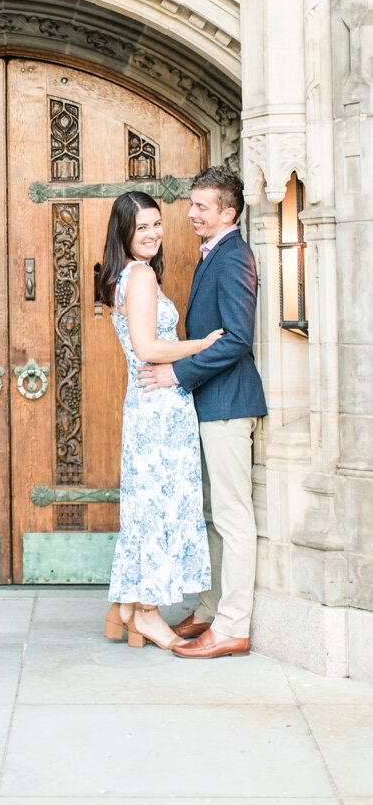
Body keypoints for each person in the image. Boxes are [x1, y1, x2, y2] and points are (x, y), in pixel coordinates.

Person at [137, 166, 267, 658]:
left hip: (229, 404)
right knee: (212, 513)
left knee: (233, 517)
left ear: (227, 213)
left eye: (201, 207)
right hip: (210, 404)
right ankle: (211, 608)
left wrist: (177, 374)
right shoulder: (213, 254)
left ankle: (233, 625)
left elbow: (236, 338)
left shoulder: (234, 257)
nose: (191, 214)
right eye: (191, 205)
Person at [99, 190, 221, 651]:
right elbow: (148, 349)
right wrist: (202, 344)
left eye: (156, 224)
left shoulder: (126, 275)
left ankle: (127, 608)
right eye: (141, 227)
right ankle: (147, 613)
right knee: (158, 508)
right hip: (159, 409)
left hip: (150, 406)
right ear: (124, 232)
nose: (151, 234)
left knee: (148, 506)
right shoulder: (142, 276)